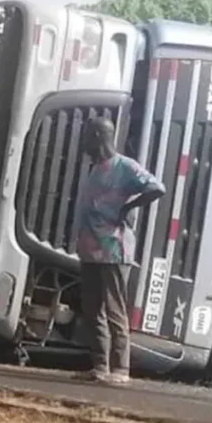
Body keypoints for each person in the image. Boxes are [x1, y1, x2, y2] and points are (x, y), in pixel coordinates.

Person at [75, 117, 166, 384]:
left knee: (114, 308)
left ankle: (121, 368)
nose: (83, 142)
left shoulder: (125, 166)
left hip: (113, 248)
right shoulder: (95, 169)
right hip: (90, 249)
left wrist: (128, 207)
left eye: (87, 136)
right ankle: (100, 366)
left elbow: (157, 188)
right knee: (92, 309)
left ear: (98, 136)